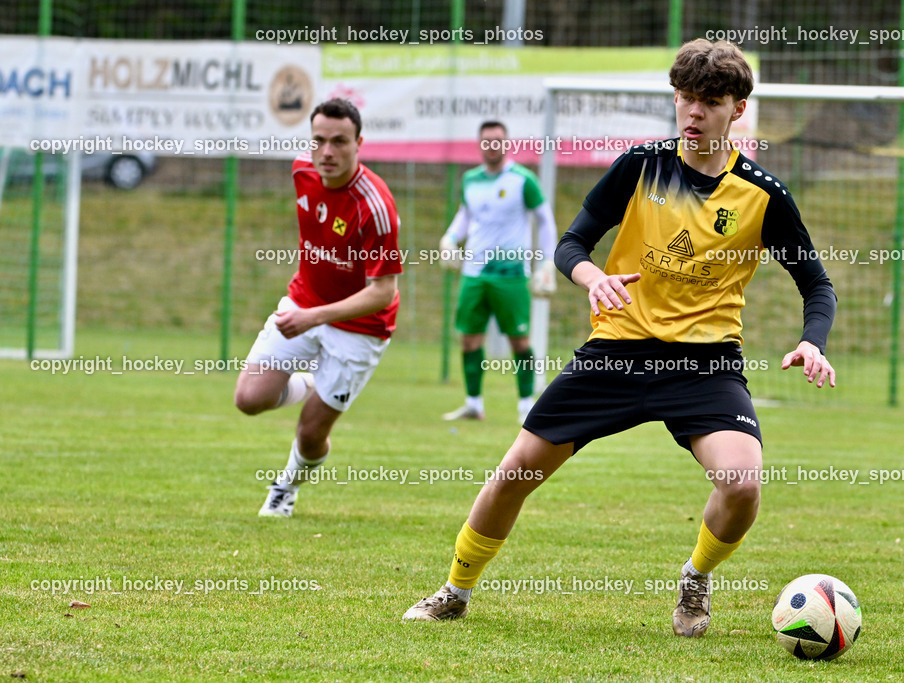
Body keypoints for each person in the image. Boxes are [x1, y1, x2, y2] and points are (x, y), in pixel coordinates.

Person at [403, 39, 837, 637]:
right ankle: (454, 589)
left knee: (741, 484)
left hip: (704, 366)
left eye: (709, 102)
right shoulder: (641, 165)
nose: (692, 114)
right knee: (516, 471)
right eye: (684, 99)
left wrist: (813, 340)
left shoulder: (763, 194)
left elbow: (817, 285)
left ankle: (695, 578)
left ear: (737, 110)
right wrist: (592, 277)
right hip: (616, 352)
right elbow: (569, 244)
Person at [234, 98, 402, 518]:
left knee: (310, 434)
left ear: (359, 143)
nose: (327, 152)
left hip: (361, 327)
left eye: (339, 142)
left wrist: (314, 317)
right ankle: (310, 383)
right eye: (319, 140)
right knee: (249, 398)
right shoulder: (302, 171)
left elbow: (383, 291)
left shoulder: (375, 208)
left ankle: (286, 486)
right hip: (304, 302)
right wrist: (307, 308)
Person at [440, 121, 558, 425]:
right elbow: (466, 217)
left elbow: (544, 220)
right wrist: (450, 239)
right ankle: (473, 404)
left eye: (498, 141)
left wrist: (546, 262)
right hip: (475, 273)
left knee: (519, 341)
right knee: (469, 340)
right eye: (487, 141)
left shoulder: (523, 180)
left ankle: (525, 407)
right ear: (479, 144)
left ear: (507, 143)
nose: (492, 146)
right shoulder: (470, 180)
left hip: (512, 274)